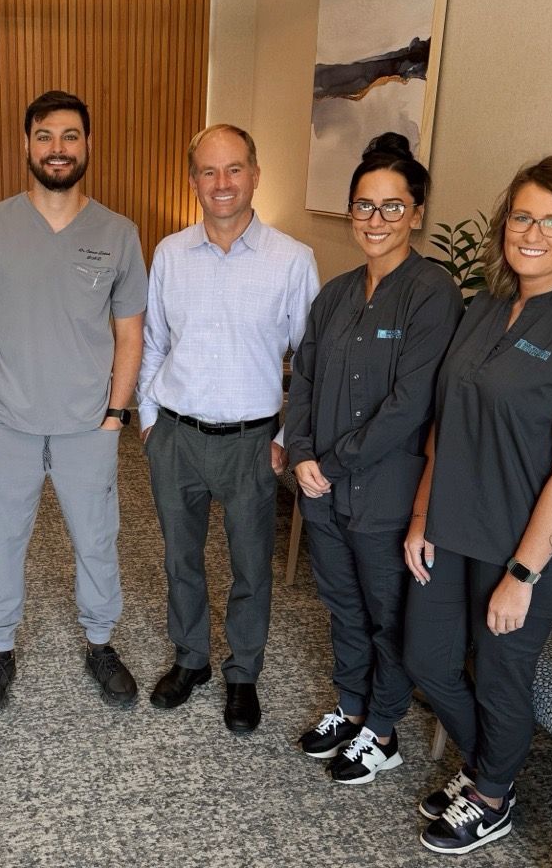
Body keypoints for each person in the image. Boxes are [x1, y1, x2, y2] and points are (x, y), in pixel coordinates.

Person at [403, 156, 552, 854]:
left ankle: (492, 795)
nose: (534, 232)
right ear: (506, 226)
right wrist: (421, 516)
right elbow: (448, 422)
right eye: (523, 216)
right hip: (456, 523)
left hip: (529, 544)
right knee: (430, 660)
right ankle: (488, 767)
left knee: (500, 675)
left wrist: (523, 575)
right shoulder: (488, 305)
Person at [0, 90, 147, 710]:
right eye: (45, 136)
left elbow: (129, 333)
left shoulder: (118, 233)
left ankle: (100, 642)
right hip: (6, 418)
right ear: (26, 144)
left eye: (69, 136)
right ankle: (0, 647)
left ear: (88, 145)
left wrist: (116, 413)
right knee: (3, 535)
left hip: (88, 422)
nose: (57, 148)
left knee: (96, 538)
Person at [286, 133, 463, 778]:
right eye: (364, 206)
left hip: (385, 493)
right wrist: (302, 450)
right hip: (323, 490)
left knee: (387, 615)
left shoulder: (432, 292)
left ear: (417, 212)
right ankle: (351, 704)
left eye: (392, 207)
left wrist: (329, 463)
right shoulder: (335, 294)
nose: (376, 220)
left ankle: (382, 728)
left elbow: (412, 402)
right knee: (341, 604)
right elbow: (302, 379)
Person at [138, 123, 319, 733]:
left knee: (250, 567)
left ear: (256, 175)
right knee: (181, 559)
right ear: (193, 181)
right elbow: (154, 341)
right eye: (208, 172)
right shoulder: (169, 253)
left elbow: (310, 364)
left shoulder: (292, 260)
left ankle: (243, 673)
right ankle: (191, 659)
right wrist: (148, 420)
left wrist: (283, 438)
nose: (222, 183)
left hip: (251, 444)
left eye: (234, 169)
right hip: (177, 436)